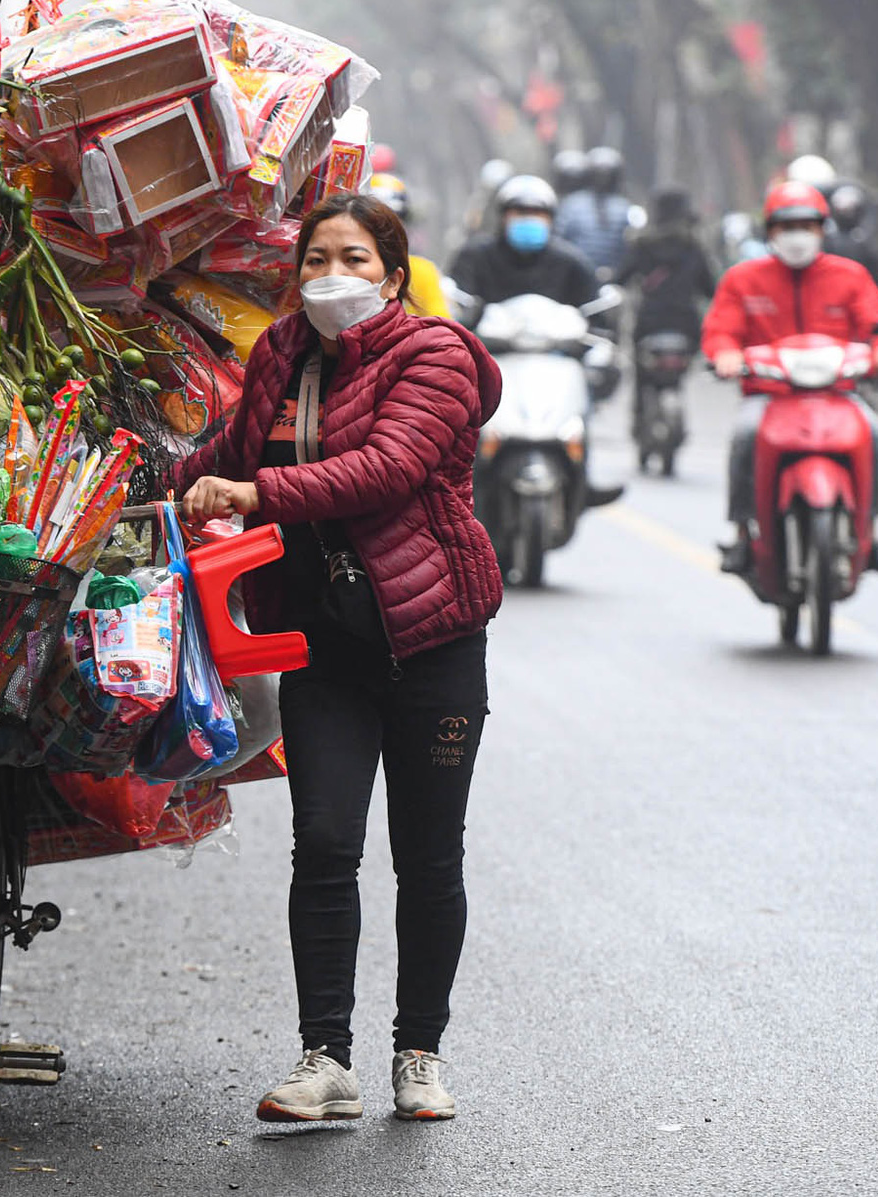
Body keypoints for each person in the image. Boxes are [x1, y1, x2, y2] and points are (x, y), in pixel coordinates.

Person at [176, 192, 503, 1125]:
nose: (334, 274)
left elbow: (388, 468)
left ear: (393, 275)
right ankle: (326, 1058)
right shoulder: (280, 354)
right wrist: (129, 477)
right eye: (318, 257)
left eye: (356, 258)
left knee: (429, 856)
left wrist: (253, 488)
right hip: (323, 642)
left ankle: (419, 1053)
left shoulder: (434, 355)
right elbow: (224, 451)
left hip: (433, 637)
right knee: (323, 841)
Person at [702, 180, 878, 576]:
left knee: (875, 434)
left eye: (807, 226)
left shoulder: (850, 276)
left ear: (822, 230)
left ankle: (872, 534)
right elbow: (721, 330)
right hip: (769, 395)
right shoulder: (743, 279)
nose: (798, 236)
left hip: (836, 393)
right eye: (787, 226)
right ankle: (744, 536)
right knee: (745, 435)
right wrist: (725, 355)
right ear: (770, 232)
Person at [449, 173, 598, 312]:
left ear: (550, 219)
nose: (528, 218)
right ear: (503, 217)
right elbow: (457, 303)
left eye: (537, 213)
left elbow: (593, 311)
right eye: (520, 212)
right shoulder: (475, 257)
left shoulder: (571, 262)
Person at [615, 187, 716, 341]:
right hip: (687, 323)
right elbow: (710, 290)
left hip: (649, 322)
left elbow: (620, 280)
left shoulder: (642, 246)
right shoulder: (693, 248)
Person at [367, 172, 450, 318]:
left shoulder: (422, 272)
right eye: (375, 220)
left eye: (394, 220)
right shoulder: (345, 270)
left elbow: (441, 325)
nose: (385, 229)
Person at [556, 146, 634, 276]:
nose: (602, 179)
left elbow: (629, 243)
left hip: (615, 274)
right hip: (577, 271)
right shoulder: (573, 204)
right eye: (598, 174)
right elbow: (561, 238)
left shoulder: (624, 207)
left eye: (607, 175)